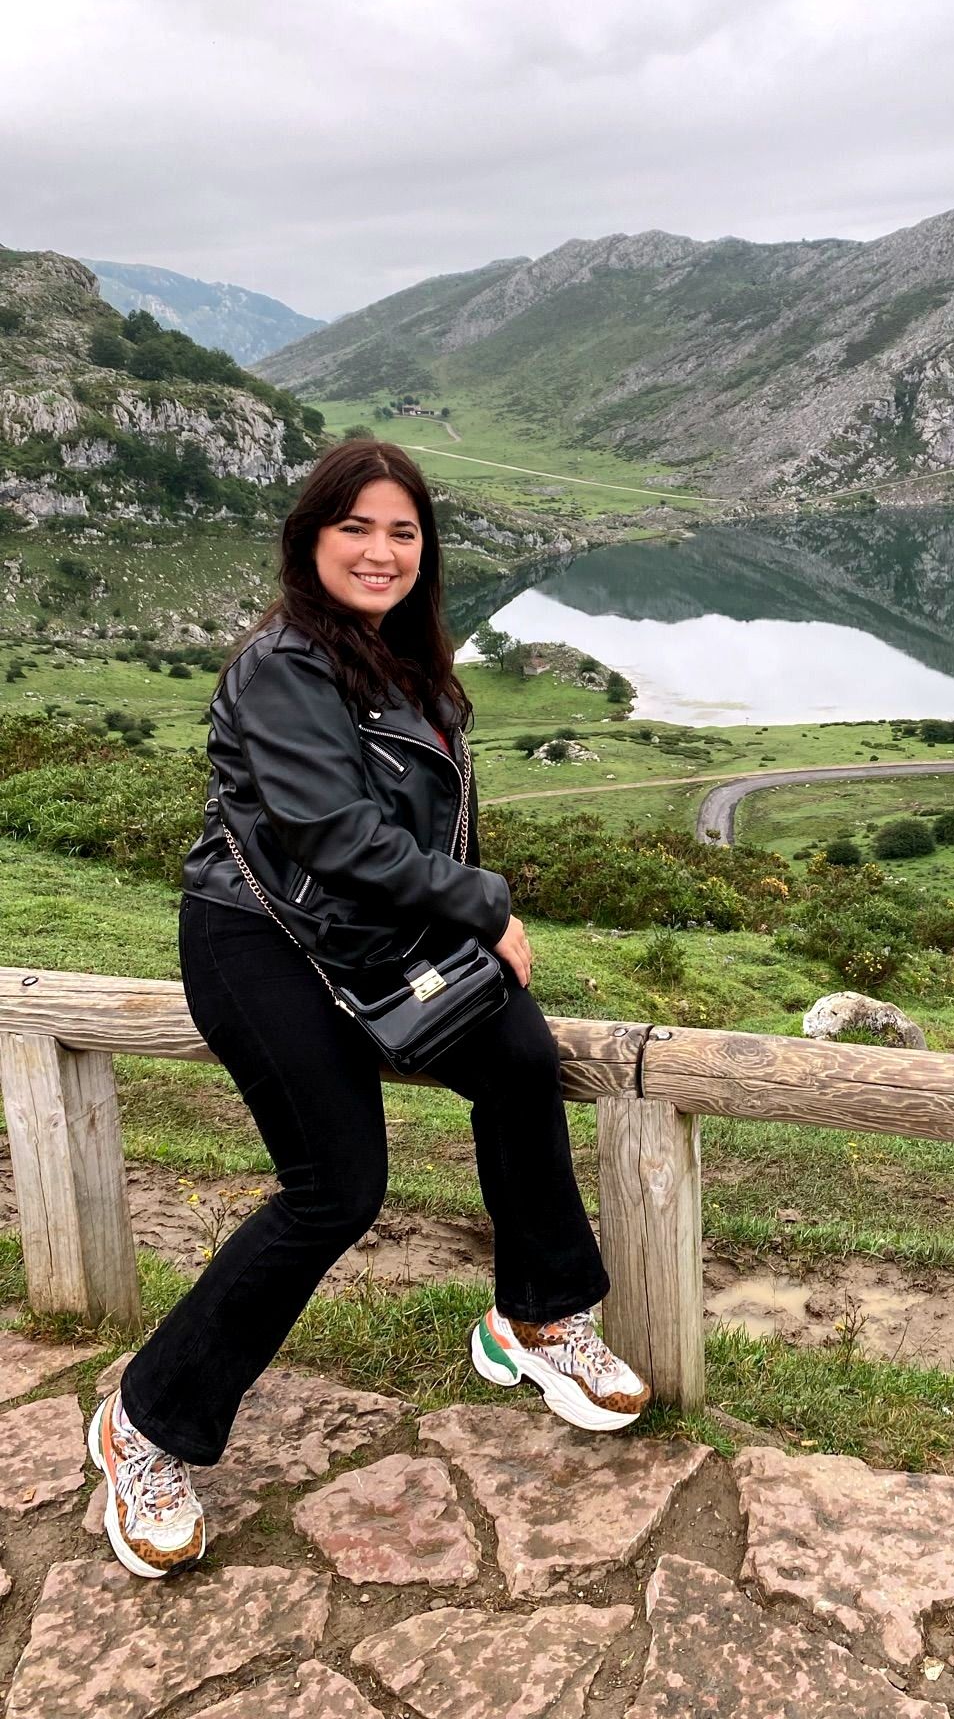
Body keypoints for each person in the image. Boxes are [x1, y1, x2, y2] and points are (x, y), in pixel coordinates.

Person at [89, 438, 649, 1580]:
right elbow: (328, 834)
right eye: (357, 526)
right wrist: (485, 906)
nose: (382, 550)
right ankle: (145, 1425)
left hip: (382, 932)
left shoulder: (414, 666)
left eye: (403, 530)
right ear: (311, 538)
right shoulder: (281, 666)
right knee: (334, 1187)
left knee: (519, 1055)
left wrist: (466, 922)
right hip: (260, 938)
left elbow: (429, 828)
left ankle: (539, 1316)